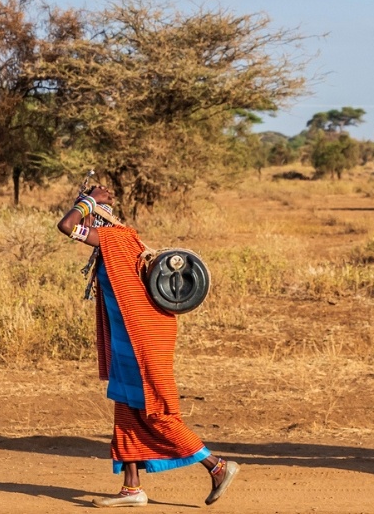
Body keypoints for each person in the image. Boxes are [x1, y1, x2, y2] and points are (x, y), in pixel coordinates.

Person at [55, 184, 240, 508]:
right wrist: (86, 203)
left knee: (158, 413)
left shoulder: (118, 239)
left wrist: (88, 202)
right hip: (127, 344)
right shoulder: (114, 244)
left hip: (143, 345)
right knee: (126, 412)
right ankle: (131, 489)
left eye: (94, 218)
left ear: (102, 219)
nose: (91, 228)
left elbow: (67, 225)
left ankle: (218, 466)